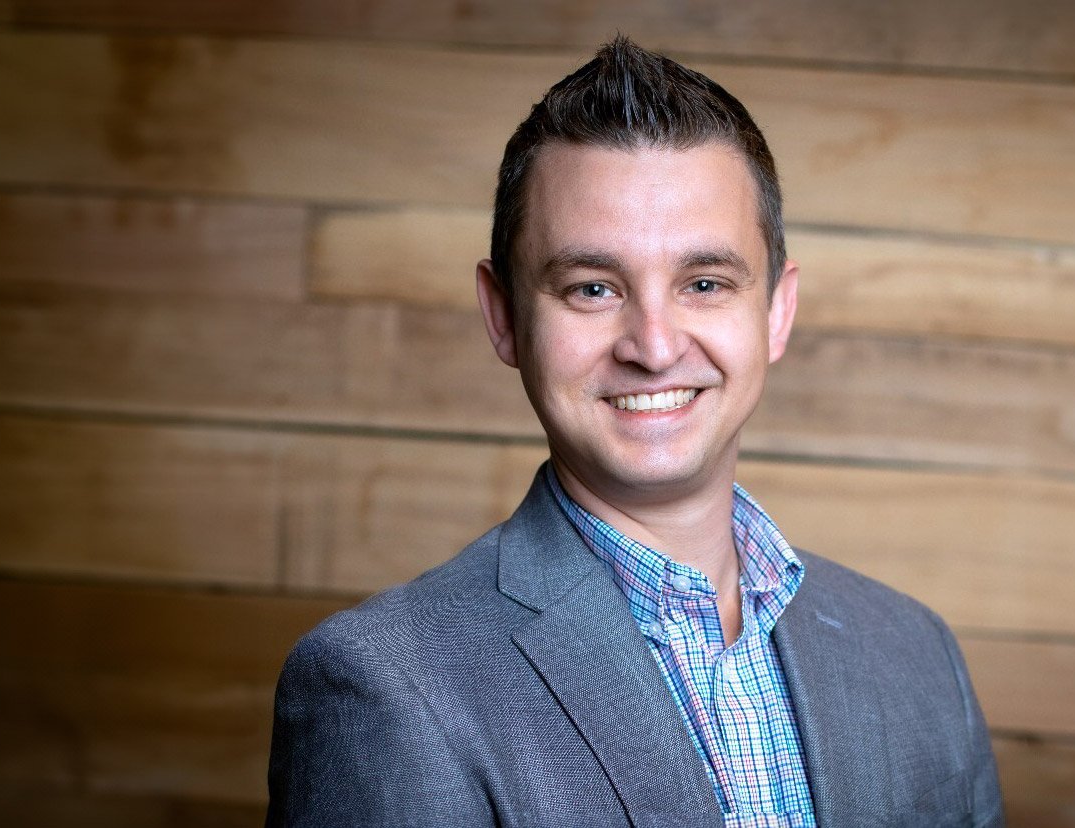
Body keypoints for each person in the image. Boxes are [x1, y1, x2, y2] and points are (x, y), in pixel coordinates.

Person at [266, 36, 1003, 828]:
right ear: (504, 315)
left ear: (776, 311)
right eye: (592, 288)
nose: (653, 347)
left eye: (705, 283)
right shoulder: (383, 688)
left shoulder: (916, 651)